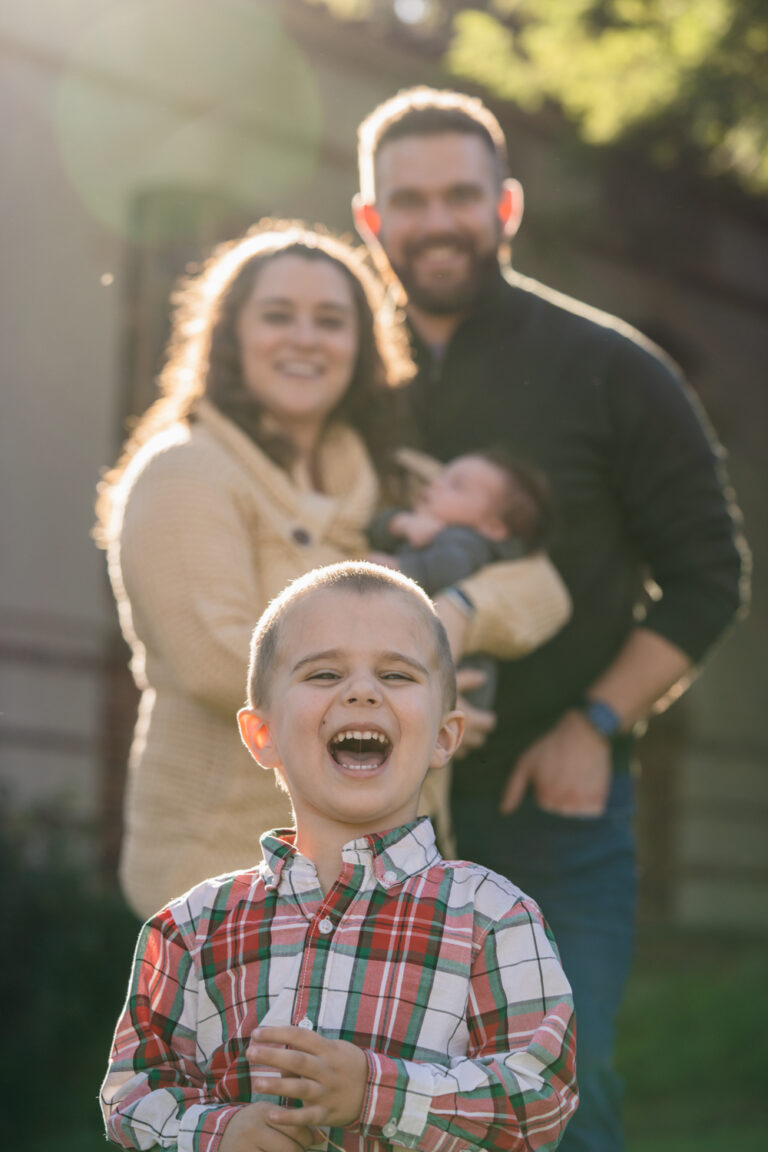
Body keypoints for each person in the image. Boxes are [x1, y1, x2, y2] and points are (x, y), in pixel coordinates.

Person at [353, 87, 749, 1152]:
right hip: (369, 819)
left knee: (552, 1101)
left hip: (552, 810)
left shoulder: (614, 367)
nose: (438, 220)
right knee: (377, 1117)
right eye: (410, 200)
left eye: (462, 197)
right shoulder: (341, 376)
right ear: (370, 220)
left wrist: (598, 723)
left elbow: (710, 574)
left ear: (507, 207)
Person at [95, 220, 570, 921]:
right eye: (278, 316)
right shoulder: (184, 471)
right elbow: (211, 658)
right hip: (230, 875)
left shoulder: (395, 479)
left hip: (395, 877)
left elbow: (540, 586)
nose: (305, 338)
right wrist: (409, 685)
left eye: (331, 320)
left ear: (361, 344)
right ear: (230, 336)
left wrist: (456, 619)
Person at [100, 561, 578, 1152]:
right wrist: (222, 1134)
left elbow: (540, 1098)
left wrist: (374, 1093)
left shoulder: (493, 918)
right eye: (324, 673)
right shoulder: (190, 929)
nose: (361, 690)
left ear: (444, 736)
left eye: (396, 675)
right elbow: (133, 1090)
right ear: (262, 735)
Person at [368, 450, 551, 708]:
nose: (435, 484)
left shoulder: (467, 543)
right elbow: (375, 530)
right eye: (441, 477)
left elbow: (447, 570)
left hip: (461, 669)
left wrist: (399, 567)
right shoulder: (431, 525)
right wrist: (401, 523)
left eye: (456, 486)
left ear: (493, 527)